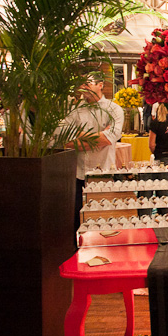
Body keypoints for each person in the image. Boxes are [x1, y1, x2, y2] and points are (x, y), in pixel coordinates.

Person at [64, 78, 124, 230]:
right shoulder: (75, 110)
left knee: (103, 222)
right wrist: (100, 137)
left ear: (100, 85)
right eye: (82, 84)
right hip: (78, 174)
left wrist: (80, 134)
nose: (83, 87)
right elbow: (65, 140)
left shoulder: (113, 109)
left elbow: (109, 138)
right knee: (77, 222)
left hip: (104, 174)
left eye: (88, 84)